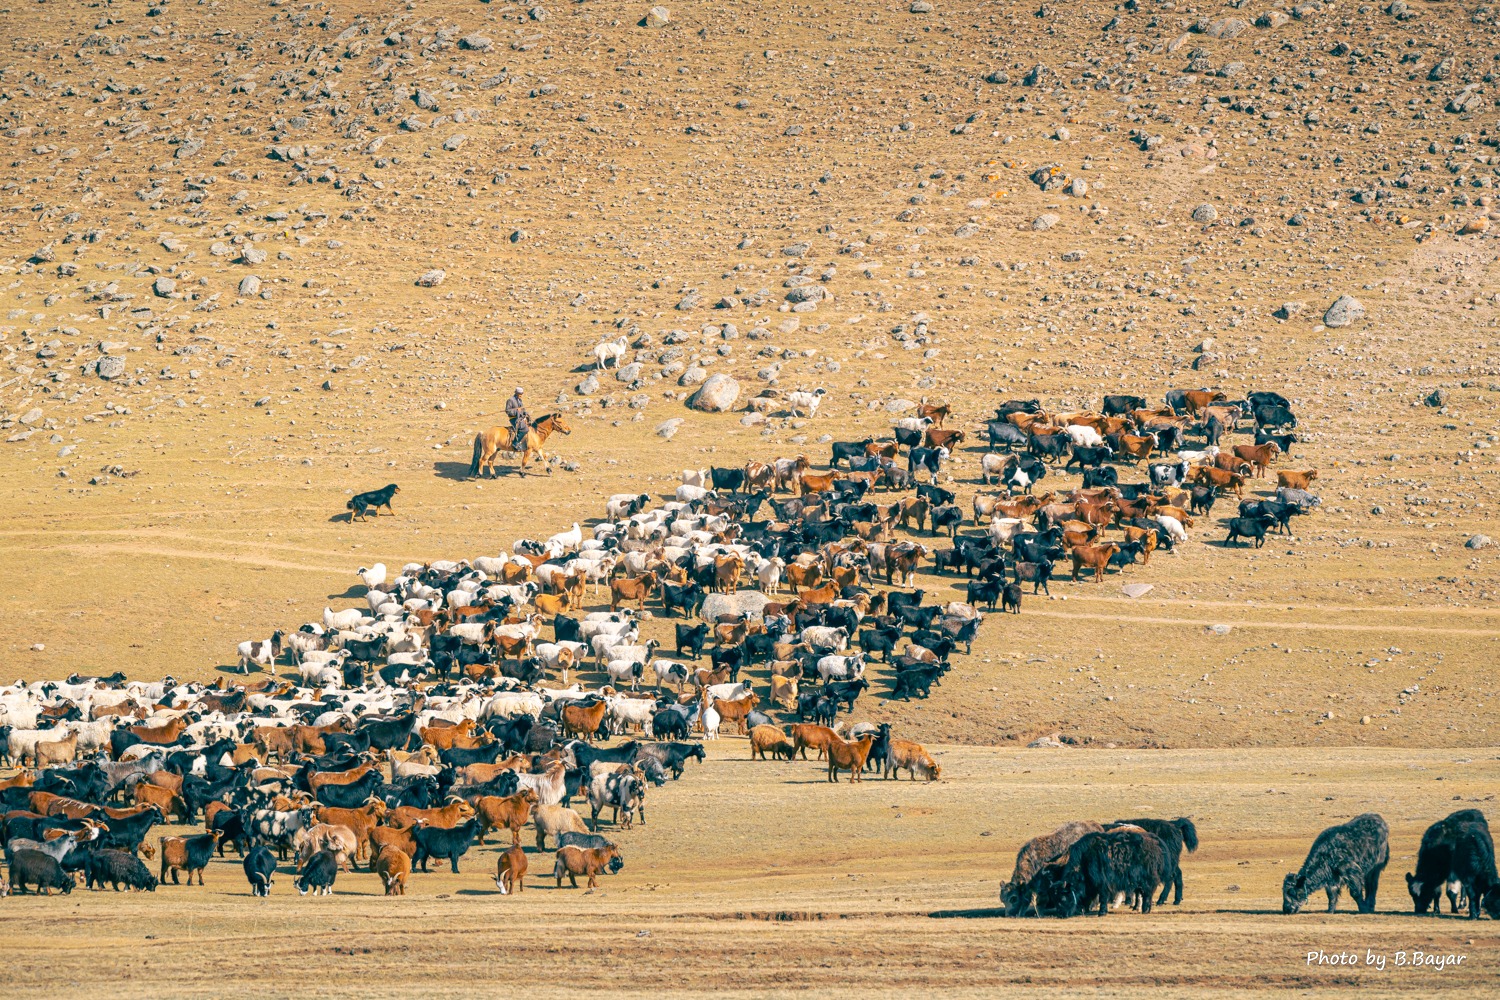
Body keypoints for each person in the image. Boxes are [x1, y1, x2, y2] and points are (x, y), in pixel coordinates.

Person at [505, 387, 530, 452]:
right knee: (525, 429)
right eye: (519, 393)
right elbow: (508, 411)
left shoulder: (520, 400)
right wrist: (516, 411)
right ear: (516, 393)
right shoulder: (510, 400)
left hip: (520, 418)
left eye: (521, 393)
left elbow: (522, 409)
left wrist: (525, 413)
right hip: (514, 419)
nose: (521, 395)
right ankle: (515, 443)